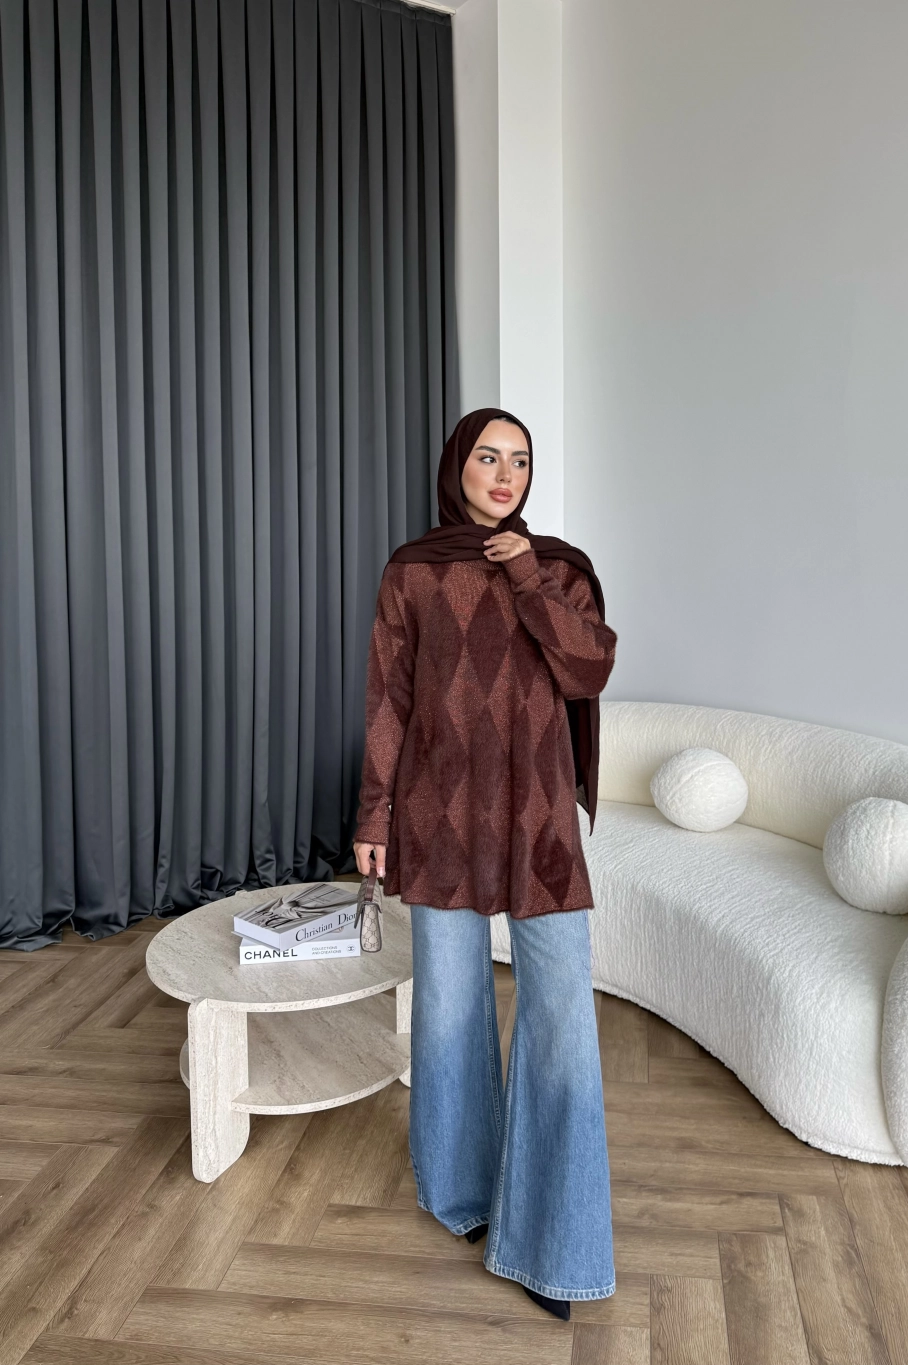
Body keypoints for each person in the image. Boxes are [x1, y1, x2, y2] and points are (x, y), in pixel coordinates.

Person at [352, 406, 618, 1319]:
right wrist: (375, 813)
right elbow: (389, 698)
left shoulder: (562, 568)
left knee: (562, 1017)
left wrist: (528, 577)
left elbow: (589, 669)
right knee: (453, 1008)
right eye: (488, 457)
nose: (505, 476)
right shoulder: (412, 571)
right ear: (456, 467)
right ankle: (462, 1193)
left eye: (521, 461)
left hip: (539, 824)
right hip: (439, 816)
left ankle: (555, 1244)